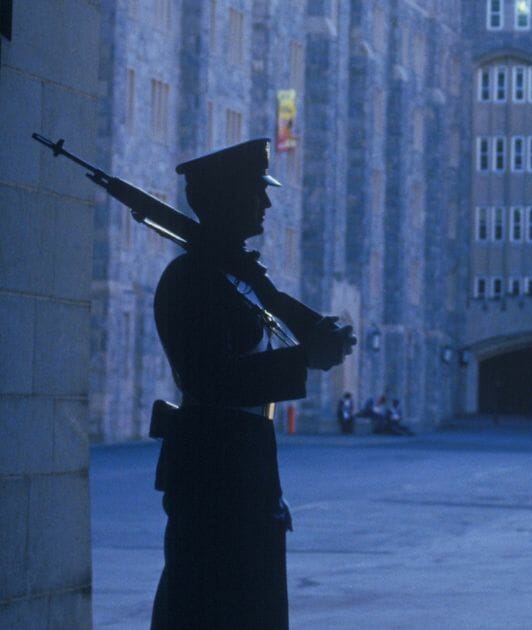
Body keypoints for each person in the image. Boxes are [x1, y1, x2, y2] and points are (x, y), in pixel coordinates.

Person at [151, 138, 355, 629]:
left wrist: (313, 330)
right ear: (222, 198)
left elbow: (274, 309)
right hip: (213, 467)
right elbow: (210, 378)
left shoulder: (234, 275)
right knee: (206, 601)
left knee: (252, 602)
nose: (265, 203)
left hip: (244, 460)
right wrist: (304, 359)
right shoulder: (193, 279)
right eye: (254, 193)